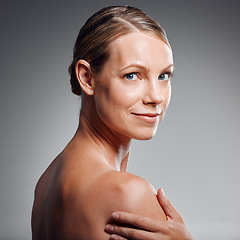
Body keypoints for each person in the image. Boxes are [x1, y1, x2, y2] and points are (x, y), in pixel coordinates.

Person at [31, 5, 194, 240]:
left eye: (163, 76)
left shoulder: (46, 183)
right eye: (132, 75)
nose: (156, 96)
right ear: (87, 78)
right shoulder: (127, 193)